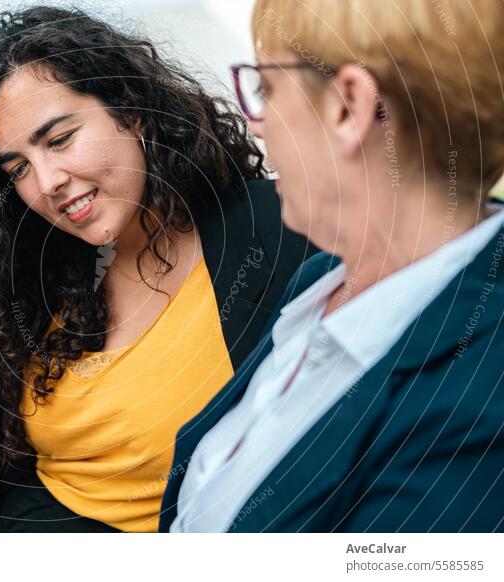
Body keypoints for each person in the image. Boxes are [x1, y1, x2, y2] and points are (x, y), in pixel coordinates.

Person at [0, 6, 311, 533]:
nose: (46, 182)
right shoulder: (47, 270)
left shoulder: (276, 231)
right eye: (18, 168)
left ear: (131, 111)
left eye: (59, 140)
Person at [160, 0, 504, 532]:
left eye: (267, 89)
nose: (257, 126)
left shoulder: (479, 395)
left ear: (349, 106)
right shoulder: (321, 278)